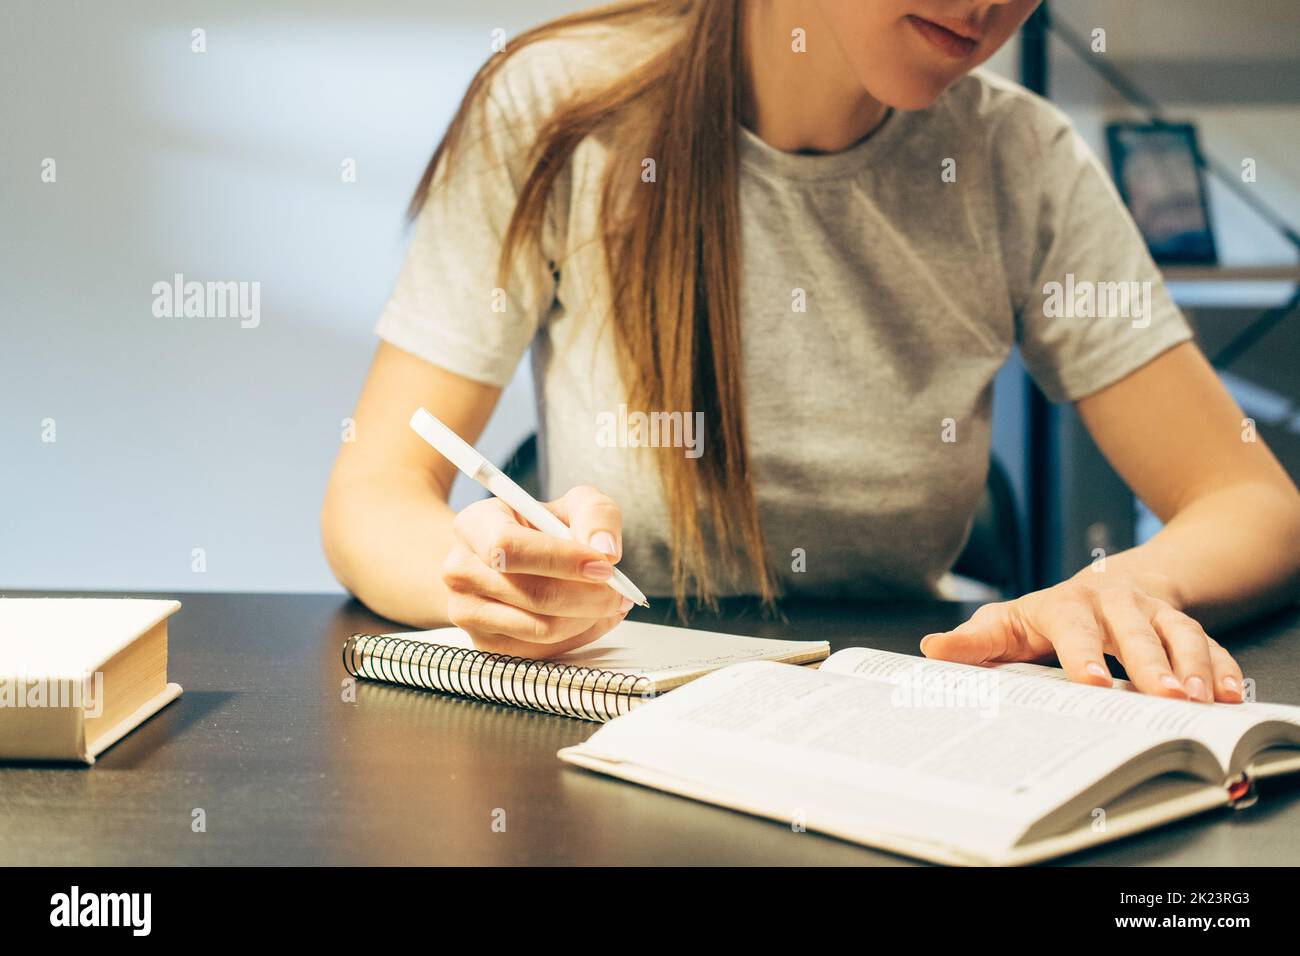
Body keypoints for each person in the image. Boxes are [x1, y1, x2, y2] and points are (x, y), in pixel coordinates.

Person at [322, 1, 1300, 702]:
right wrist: (477, 577)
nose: (986, 7)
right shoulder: (555, 107)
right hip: (605, 701)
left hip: (890, 701)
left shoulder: (1020, 159)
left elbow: (1252, 499)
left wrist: (1126, 580)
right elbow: (374, 490)